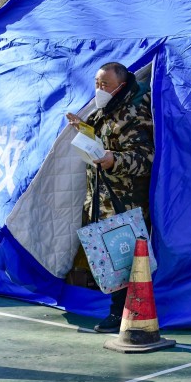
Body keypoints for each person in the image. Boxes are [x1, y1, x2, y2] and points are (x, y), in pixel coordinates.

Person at [65, 62, 155, 333]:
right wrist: (84, 129)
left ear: (122, 85)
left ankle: (122, 313)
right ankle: (118, 309)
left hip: (125, 200)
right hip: (102, 197)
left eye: (105, 84)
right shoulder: (106, 108)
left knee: (124, 259)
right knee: (109, 256)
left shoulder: (135, 111)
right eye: (97, 83)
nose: (99, 89)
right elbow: (104, 139)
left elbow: (146, 158)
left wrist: (115, 159)